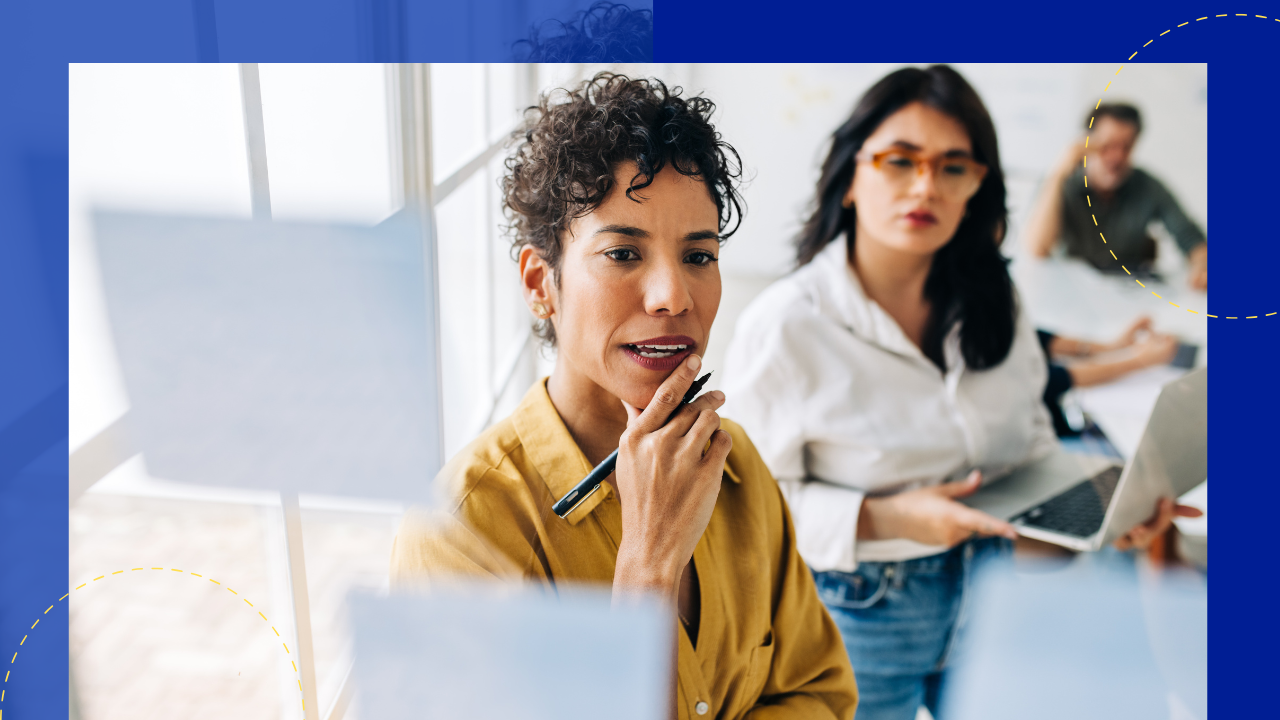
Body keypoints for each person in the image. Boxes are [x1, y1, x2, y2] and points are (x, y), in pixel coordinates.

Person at [720, 66, 1188, 720]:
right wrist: (888, 518)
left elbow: (1024, 461)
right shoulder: (787, 325)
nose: (925, 186)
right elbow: (740, 515)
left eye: (952, 167)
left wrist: (1107, 519)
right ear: (851, 175)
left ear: (977, 186)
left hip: (997, 595)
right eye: (899, 160)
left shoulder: (997, 302)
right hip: (854, 616)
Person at [390, 73, 858, 720]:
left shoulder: (736, 463)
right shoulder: (463, 532)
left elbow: (821, 694)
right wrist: (648, 564)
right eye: (621, 254)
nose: (673, 296)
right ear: (540, 283)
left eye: (699, 256)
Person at [1023, 102, 1207, 289]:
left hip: (1126, 293)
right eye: (1107, 145)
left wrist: (1201, 265)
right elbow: (1038, 249)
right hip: (1071, 292)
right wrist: (1058, 174)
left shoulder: (1147, 185)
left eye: (1126, 147)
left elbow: (1190, 236)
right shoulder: (1062, 181)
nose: (1116, 157)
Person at [1037, 316, 1179, 437]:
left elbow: (1032, 337)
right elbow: (1050, 380)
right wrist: (1141, 361)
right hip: (1053, 423)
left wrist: (1110, 347)